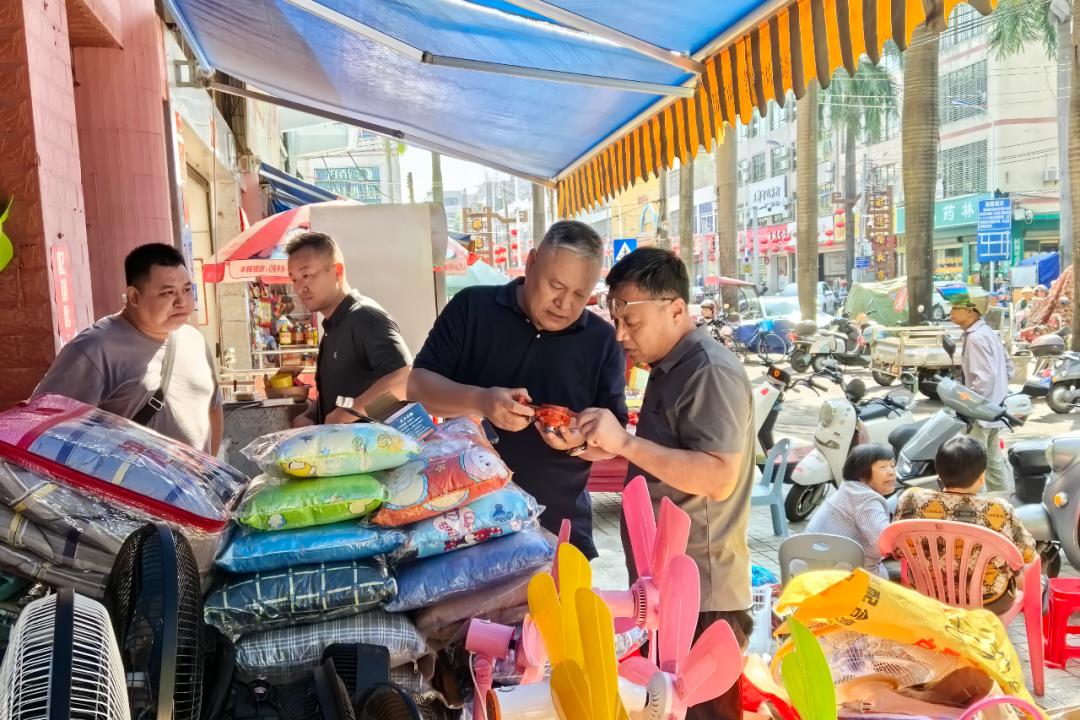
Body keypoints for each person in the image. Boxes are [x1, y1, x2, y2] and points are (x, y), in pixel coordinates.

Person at [575, 247, 754, 720]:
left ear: (677, 309)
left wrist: (627, 445)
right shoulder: (670, 365)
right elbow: (671, 462)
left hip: (703, 592)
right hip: (665, 590)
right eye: (616, 319)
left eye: (631, 321)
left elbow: (718, 476)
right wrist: (611, 446)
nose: (620, 334)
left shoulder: (708, 370)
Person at [407, 221, 628, 558]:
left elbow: (613, 442)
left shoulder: (601, 341)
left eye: (580, 295)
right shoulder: (471, 308)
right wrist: (481, 401)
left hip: (558, 532)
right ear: (531, 262)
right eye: (556, 285)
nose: (564, 304)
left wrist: (577, 445)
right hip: (463, 528)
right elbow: (418, 387)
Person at [32, 244, 222, 454]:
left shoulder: (194, 340)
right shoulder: (94, 348)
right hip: (125, 486)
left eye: (187, 290)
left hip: (197, 485)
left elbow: (213, 408)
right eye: (168, 293)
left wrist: (211, 474)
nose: (182, 302)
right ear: (133, 296)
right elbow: (44, 431)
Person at [894, 436, 1035, 614]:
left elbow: (897, 551)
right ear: (982, 476)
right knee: (1027, 577)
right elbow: (1028, 554)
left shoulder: (911, 499)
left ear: (939, 473)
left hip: (925, 595)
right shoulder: (998, 510)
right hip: (988, 601)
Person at [287, 232, 413, 427]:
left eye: (306, 275)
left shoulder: (364, 316)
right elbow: (339, 395)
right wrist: (308, 416)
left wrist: (346, 414)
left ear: (337, 271)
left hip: (376, 452)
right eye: (294, 280)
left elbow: (403, 379)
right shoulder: (331, 328)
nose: (299, 288)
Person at [948, 287, 1014, 492]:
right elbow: (1009, 368)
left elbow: (983, 379)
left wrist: (970, 406)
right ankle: (1003, 503)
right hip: (994, 410)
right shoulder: (987, 333)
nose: (951, 312)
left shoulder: (976, 337)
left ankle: (981, 510)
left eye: (956, 307)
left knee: (974, 466)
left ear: (971, 311)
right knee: (994, 464)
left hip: (979, 412)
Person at [805, 444, 895, 578]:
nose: (891, 472)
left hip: (809, 573)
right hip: (846, 581)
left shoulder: (847, 490)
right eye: (883, 467)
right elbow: (885, 544)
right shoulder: (866, 498)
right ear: (862, 476)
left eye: (892, 466)